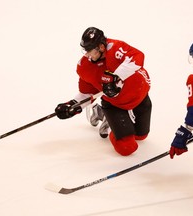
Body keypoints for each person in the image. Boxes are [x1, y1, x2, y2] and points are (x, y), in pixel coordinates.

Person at [54, 27, 152, 156]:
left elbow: (138, 56)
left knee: (141, 136)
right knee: (127, 148)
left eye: (90, 50)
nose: (87, 54)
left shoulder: (115, 48)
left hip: (140, 97)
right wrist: (72, 105)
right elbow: (87, 93)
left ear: (101, 47)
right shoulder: (84, 66)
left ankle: (109, 119)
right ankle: (109, 121)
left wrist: (116, 75)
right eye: (85, 50)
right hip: (115, 105)